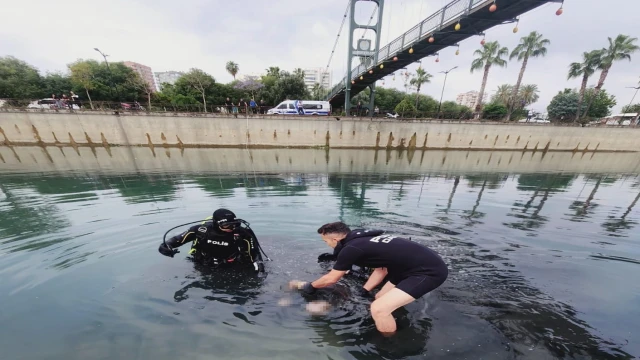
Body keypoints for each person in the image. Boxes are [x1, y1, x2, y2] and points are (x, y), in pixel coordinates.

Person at [289, 222, 448, 335]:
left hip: (428, 272)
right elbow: (381, 269)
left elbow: (331, 279)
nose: (327, 245)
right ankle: (394, 320)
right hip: (407, 268)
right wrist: (365, 290)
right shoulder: (363, 239)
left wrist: (311, 286)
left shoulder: (351, 248)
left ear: (335, 239)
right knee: (379, 297)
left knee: (379, 309)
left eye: (326, 241)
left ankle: (391, 341)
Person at [158, 208, 265, 272]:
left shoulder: (242, 233)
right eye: (227, 225)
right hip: (203, 264)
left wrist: (259, 266)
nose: (231, 228)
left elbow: (254, 253)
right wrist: (165, 247)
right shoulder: (200, 230)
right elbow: (176, 240)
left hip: (232, 265)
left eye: (234, 225)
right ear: (216, 224)